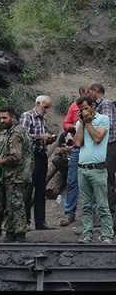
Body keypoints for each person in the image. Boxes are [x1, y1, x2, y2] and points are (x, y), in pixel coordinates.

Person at [0, 106, 31, 243]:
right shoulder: (3, 134)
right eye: (0, 118)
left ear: (13, 118)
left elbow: (16, 157)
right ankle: (2, 235)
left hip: (15, 177)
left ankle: (18, 236)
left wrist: (2, 160)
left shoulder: (17, 133)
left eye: (4, 118)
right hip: (1, 177)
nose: (1, 120)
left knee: (15, 207)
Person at [74, 96, 114, 243]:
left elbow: (98, 138)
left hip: (98, 169)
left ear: (93, 106)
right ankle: (87, 235)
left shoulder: (103, 119)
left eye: (85, 108)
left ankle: (107, 235)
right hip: (82, 168)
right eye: (81, 109)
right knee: (85, 206)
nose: (83, 111)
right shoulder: (81, 122)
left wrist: (88, 123)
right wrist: (82, 124)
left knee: (102, 205)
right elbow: (78, 142)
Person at [20, 95, 56, 230]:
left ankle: (40, 222)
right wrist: (41, 137)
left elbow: (38, 137)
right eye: (45, 107)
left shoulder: (42, 119)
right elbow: (23, 136)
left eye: (48, 107)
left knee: (41, 189)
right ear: (38, 103)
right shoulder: (27, 116)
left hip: (41, 154)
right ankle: (25, 221)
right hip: (31, 156)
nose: (47, 110)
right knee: (28, 188)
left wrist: (48, 139)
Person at [88, 83, 116, 221]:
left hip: (109, 146)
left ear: (96, 91)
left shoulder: (105, 104)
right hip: (105, 147)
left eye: (90, 92)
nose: (89, 94)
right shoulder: (98, 106)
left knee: (108, 180)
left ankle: (110, 215)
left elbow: (107, 125)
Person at [61, 86, 88, 226]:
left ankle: (92, 216)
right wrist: (70, 127)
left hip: (90, 150)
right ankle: (69, 213)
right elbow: (65, 123)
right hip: (76, 148)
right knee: (72, 181)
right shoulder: (73, 106)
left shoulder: (97, 108)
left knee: (92, 182)